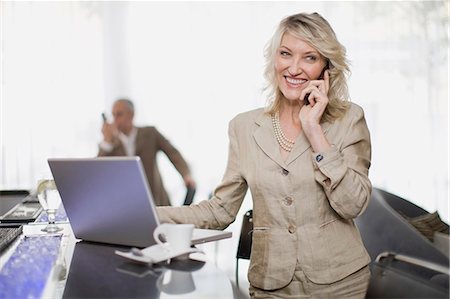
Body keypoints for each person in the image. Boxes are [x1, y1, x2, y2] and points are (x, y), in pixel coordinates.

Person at [157, 12, 372, 298]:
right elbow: (220, 210)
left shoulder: (349, 119)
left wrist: (314, 130)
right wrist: (149, 214)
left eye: (309, 57)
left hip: (340, 285)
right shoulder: (243, 127)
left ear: (326, 69)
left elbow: (353, 205)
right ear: (274, 59)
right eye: (286, 54)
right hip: (271, 285)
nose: (294, 68)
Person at [98, 98, 196, 206]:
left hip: (157, 200)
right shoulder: (111, 143)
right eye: (113, 115)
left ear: (131, 115)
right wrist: (107, 141)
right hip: (128, 204)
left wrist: (186, 174)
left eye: (119, 115)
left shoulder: (150, 133)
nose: (115, 120)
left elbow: (173, 153)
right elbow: (97, 171)